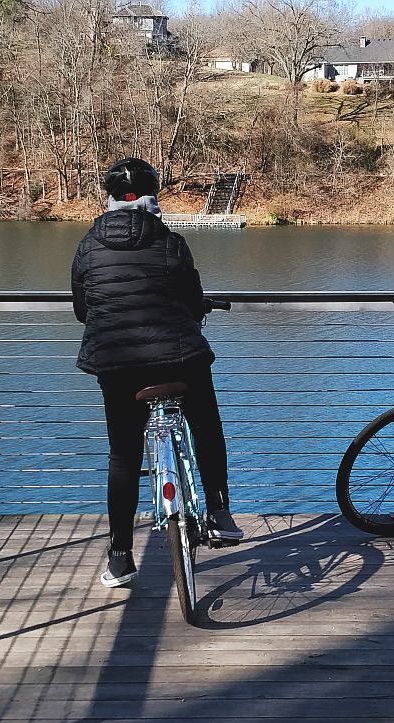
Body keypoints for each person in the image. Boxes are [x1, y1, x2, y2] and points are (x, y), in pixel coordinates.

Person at [71, 157, 243, 588]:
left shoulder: (88, 247)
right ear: (154, 196)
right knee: (205, 421)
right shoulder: (171, 242)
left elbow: (81, 309)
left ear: (108, 198)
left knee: (124, 454)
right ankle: (220, 510)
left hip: (116, 362)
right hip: (178, 357)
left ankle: (119, 556)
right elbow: (192, 298)